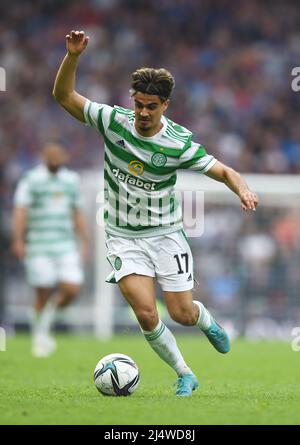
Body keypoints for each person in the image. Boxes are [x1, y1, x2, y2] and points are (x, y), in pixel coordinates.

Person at [53, 30, 259, 396]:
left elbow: (225, 171)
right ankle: (185, 373)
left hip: (165, 234)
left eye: (151, 106)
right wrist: (72, 57)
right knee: (147, 314)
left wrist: (242, 189)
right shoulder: (112, 121)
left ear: (165, 106)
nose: (143, 113)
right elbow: (63, 96)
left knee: (181, 314)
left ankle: (205, 319)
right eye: (139, 104)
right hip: (122, 236)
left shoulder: (178, 143)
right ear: (132, 101)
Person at [12, 142, 89, 357]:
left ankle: (45, 324)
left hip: (65, 244)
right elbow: (21, 210)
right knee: (43, 292)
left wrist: (84, 240)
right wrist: (18, 240)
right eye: (51, 158)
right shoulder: (32, 179)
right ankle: (39, 335)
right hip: (39, 245)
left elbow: (77, 211)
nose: (55, 161)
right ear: (44, 158)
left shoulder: (70, 180)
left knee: (72, 289)